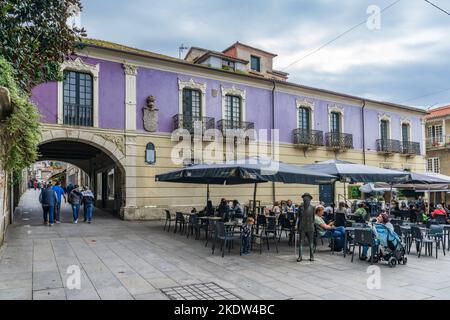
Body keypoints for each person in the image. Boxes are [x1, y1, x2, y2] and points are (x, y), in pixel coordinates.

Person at [296, 193, 315, 262]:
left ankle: (312, 256)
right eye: (304, 199)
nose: (306, 201)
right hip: (302, 227)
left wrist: (313, 225)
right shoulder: (300, 208)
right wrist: (296, 225)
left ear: (310, 200)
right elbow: (298, 217)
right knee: (301, 242)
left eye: (307, 199)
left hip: (310, 227)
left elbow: (313, 218)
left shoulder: (313, 208)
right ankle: (300, 256)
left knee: (311, 242)